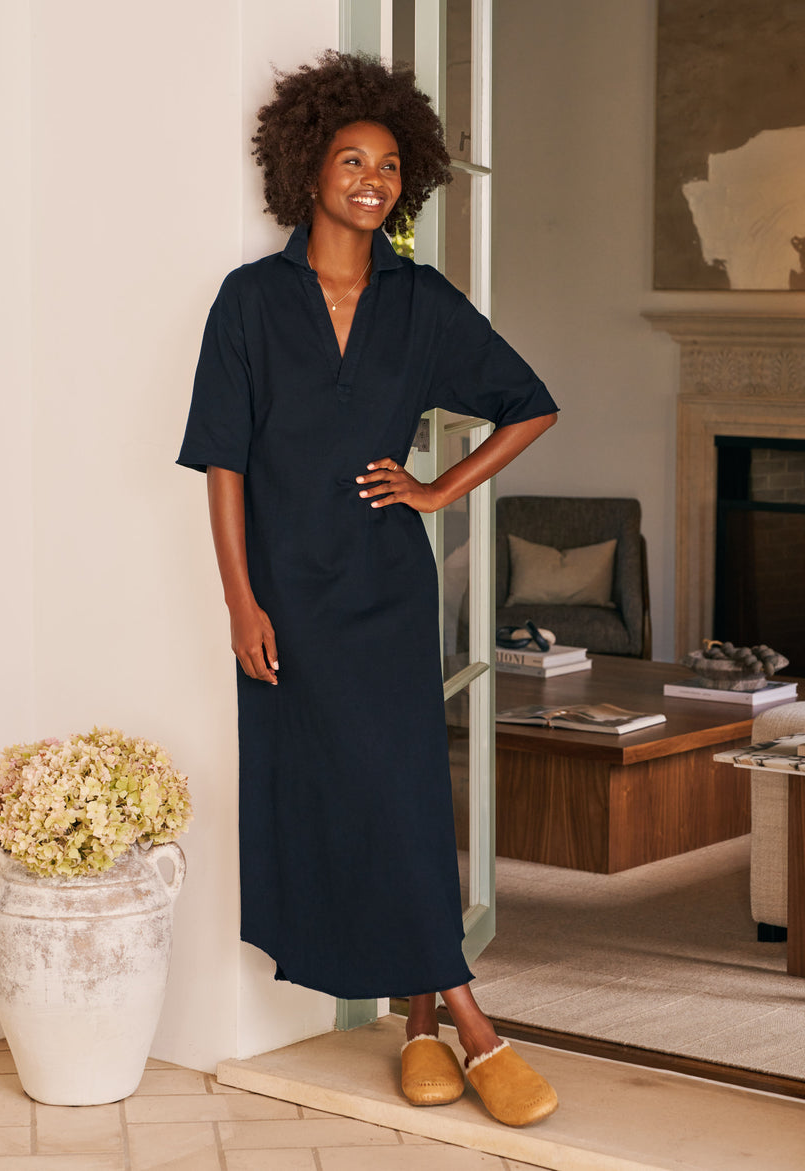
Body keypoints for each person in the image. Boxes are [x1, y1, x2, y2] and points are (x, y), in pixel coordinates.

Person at [178, 51, 559, 1127]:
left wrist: (437, 490)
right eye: (352, 159)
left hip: (388, 589)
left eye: (390, 165)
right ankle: (443, 1023)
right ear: (308, 168)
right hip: (286, 599)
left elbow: (530, 403)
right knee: (340, 796)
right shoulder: (250, 301)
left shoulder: (421, 301)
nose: (372, 179)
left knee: (401, 797)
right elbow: (223, 463)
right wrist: (239, 601)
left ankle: (451, 1023)